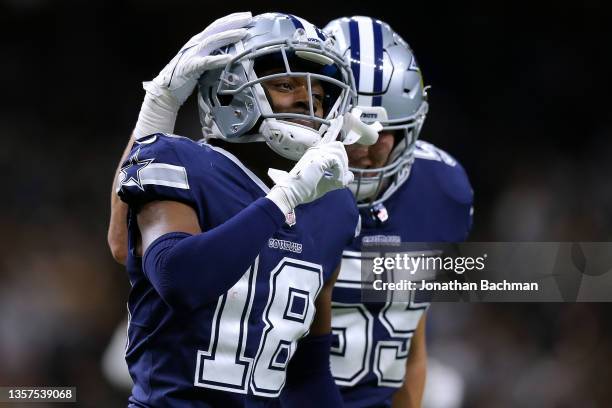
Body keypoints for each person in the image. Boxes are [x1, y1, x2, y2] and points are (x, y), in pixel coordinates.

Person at [113, 12, 381, 407]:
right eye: (286, 84)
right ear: (229, 92)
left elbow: (307, 374)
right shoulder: (179, 160)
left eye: (320, 94)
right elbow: (178, 277)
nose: (307, 99)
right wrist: (283, 200)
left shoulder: (334, 206)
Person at [323, 16, 474, 408]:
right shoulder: (264, 184)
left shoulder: (441, 190)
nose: (366, 147)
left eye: (384, 132)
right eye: (352, 130)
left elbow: (410, 337)